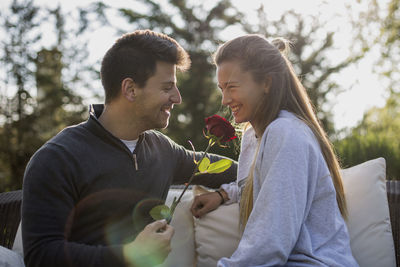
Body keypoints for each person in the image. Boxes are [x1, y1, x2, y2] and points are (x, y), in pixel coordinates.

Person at [22, 30, 236, 267]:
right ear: (130, 89)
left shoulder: (163, 150)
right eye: (167, 88)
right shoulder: (57, 159)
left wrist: (222, 194)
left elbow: (237, 171)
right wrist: (127, 254)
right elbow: (40, 255)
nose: (177, 98)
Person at [190, 34, 359, 266]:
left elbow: (269, 244)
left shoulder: (287, 133)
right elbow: (267, 184)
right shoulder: (253, 136)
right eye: (222, 88)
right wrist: (224, 194)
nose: (225, 99)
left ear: (266, 83)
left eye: (232, 87)